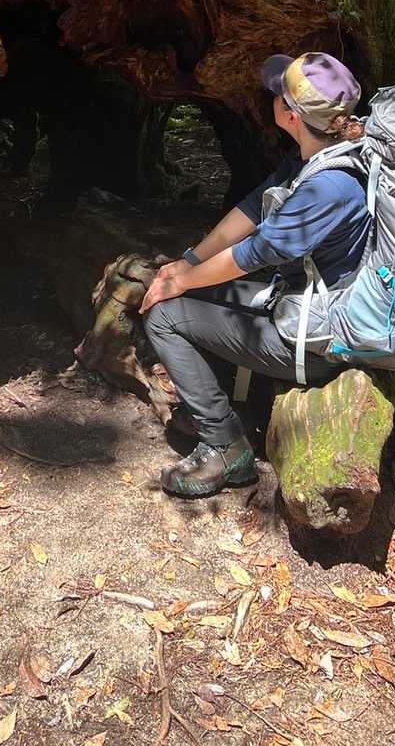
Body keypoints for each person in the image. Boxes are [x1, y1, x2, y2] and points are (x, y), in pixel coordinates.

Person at [140, 51, 369, 499]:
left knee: (164, 316)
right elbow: (251, 210)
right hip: (302, 306)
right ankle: (227, 411)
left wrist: (181, 281)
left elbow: (257, 251)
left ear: (291, 115)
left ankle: (225, 447)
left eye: (279, 94)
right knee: (196, 291)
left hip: (319, 340)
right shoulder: (315, 159)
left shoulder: (329, 185)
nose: (271, 98)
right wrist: (189, 262)